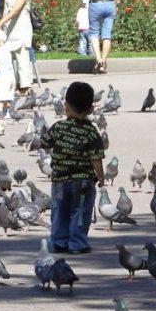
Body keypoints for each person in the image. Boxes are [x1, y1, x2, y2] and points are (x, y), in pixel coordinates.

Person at [40, 81, 105, 254]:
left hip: (60, 181)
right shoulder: (91, 132)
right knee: (81, 212)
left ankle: (59, 242)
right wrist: (101, 177)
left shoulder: (59, 127)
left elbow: (44, 141)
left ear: (65, 106)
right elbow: (96, 158)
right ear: (91, 109)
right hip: (83, 182)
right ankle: (77, 243)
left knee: (59, 211)